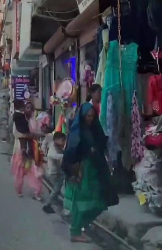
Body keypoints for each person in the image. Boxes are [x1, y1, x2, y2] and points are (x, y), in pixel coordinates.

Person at [63, 102, 118, 243]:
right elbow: (73, 152)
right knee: (81, 203)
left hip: (95, 170)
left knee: (99, 201)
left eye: (92, 116)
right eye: (88, 116)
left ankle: (82, 225)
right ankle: (75, 231)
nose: (90, 119)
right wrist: (76, 171)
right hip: (82, 171)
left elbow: (101, 143)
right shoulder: (77, 131)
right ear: (82, 116)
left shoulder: (94, 129)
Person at [11, 101, 43, 199]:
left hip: (33, 148)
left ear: (33, 111)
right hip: (21, 148)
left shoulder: (35, 122)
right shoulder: (19, 120)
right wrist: (28, 136)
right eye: (27, 107)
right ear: (24, 109)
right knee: (20, 170)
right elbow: (17, 134)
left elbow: (38, 133)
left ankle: (37, 192)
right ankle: (19, 189)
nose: (28, 109)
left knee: (36, 171)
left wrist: (35, 136)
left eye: (30, 108)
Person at [42, 131, 66, 214]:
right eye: (62, 140)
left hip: (56, 171)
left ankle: (54, 200)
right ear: (56, 140)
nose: (63, 142)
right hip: (54, 173)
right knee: (56, 189)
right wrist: (66, 155)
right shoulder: (53, 149)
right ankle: (47, 205)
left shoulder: (56, 145)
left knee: (56, 188)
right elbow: (54, 155)